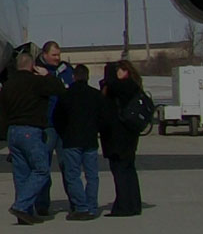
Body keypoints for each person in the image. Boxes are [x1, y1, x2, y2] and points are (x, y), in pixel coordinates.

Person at [0, 51, 67, 225]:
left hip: (13, 131)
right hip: (30, 131)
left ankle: (24, 214)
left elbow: (1, 108)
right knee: (41, 170)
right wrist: (47, 75)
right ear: (32, 66)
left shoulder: (8, 85)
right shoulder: (36, 82)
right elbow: (60, 89)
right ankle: (21, 206)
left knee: (21, 174)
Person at [52, 64, 107, 220]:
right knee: (92, 176)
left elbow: (57, 119)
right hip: (90, 140)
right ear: (88, 77)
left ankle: (80, 207)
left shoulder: (65, 95)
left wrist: (64, 133)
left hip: (71, 141)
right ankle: (92, 207)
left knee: (73, 176)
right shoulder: (96, 95)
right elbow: (103, 118)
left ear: (74, 77)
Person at [33, 41, 75, 216]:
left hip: (64, 125)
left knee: (69, 165)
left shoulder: (66, 70)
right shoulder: (36, 72)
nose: (57, 58)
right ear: (45, 54)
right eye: (54, 55)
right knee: (43, 166)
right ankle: (42, 204)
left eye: (59, 54)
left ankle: (75, 202)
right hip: (47, 125)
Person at [100, 60, 145, 217]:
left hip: (119, 137)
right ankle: (132, 204)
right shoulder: (133, 85)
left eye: (119, 70)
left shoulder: (122, 86)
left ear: (125, 72)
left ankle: (125, 205)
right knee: (128, 170)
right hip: (128, 135)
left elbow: (106, 96)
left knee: (120, 171)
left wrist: (109, 76)